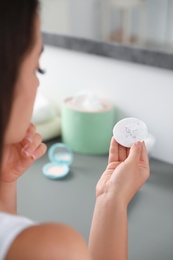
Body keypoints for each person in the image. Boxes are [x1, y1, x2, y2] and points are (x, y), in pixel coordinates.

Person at [0, 1, 150, 259]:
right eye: (37, 67)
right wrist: (112, 200)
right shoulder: (50, 248)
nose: (37, 84)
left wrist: (4, 182)